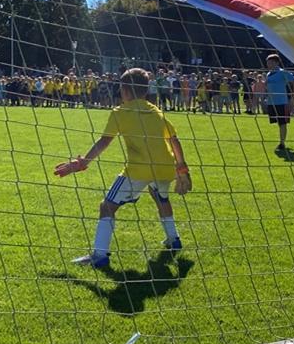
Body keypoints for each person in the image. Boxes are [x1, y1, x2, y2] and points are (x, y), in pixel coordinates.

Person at [54, 68, 192, 269]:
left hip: (138, 170)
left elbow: (104, 141)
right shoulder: (156, 111)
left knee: (107, 206)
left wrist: (83, 162)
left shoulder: (120, 112)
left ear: (125, 90)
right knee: (160, 197)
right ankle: (174, 239)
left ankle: (99, 256)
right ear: (145, 91)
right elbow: (174, 139)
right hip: (165, 167)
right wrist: (181, 168)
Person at [265, 54, 294, 153]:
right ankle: (281, 141)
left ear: (276, 62)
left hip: (282, 102)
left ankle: (282, 143)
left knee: (282, 123)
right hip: (271, 102)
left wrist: (293, 96)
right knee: (278, 123)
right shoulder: (268, 74)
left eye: (270, 62)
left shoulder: (283, 72)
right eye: (267, 62)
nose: (268, 64)